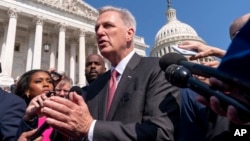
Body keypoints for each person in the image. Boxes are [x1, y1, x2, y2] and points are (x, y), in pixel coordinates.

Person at [40, 6, 180, 141]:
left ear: (129, 34)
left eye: (108, 26)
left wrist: (91, 127)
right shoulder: (96, 86)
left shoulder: (156, 69)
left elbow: (161, 133)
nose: (99, 32)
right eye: (97, 28)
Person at [15, 69, 55, 140]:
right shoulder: (17, 114)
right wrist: (28, 118)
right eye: (38, 81)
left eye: (49, 81)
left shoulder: (59, 114)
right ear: (27, 91)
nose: (46, 84)